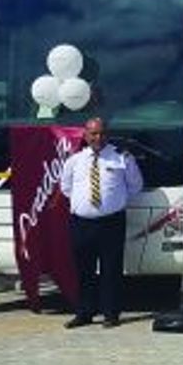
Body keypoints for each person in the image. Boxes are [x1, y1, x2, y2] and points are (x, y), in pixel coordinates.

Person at [59, 116, 142, 328]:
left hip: (111, 222)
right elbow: (66, 188)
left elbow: (135, 186)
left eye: (102, 133)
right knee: (83, 269)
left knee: (111, 269)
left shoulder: (121, 158)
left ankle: (111, 314)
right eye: (93, 133)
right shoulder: (74, 160)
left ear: (107, 134)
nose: (98, 137)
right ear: (85, 135)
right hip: (81, 223)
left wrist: (114, 201)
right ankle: (84, 312)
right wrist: (84, 205)